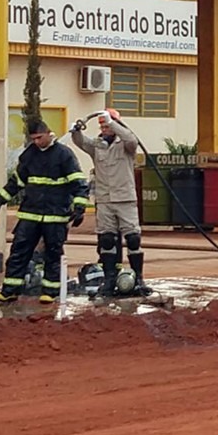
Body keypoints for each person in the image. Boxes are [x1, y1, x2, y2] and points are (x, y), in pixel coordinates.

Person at [0, 120, 89, 303]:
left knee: (53, 254)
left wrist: (79, 208)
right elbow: (17, 181)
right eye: (33, 139)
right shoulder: (29, 155)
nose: (36, 142)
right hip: (30, 213)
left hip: (55, 215)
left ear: (49, 133)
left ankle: (50, 292)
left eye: (39, 138)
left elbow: (78, 182)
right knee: (19, 251)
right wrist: (0, 199)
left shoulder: (64, 154)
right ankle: (9, 290)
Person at [70, 108, 147, 297]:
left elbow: (132, 140)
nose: (104, 129)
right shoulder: (97, 146)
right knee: (106, 239)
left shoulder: (125, 144)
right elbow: (81, 142)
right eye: (102, 126)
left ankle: (138, 278)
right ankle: (109, 279)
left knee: (133, 238)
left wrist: (112, 122)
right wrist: (76, 130)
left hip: (125, 199)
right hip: (105, 199)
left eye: (107, 125)